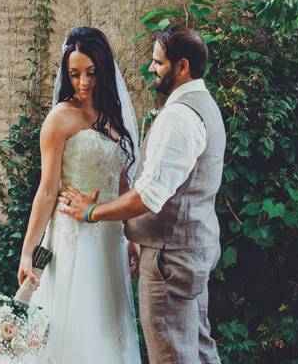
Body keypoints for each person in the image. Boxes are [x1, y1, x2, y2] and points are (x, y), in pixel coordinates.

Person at [58, 25, 225, 364]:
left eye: (158, 63)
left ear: (182, 66)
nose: (151, 68)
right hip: (195, 248)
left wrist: (92, 212)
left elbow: (148, 195)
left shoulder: (179, 115)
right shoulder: (206, 104)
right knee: (200, 349)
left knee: (172, 355)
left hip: (170, 258)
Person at [0, 27, 142, 364]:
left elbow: (123, 182)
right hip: (72, 239)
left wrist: (131, 237)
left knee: (108, 327)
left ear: (104, 69)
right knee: (73, 329)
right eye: (75, 74)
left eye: (91, 72)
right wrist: (27, 254)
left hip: (109, 241)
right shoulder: (59, 118)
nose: (83, 82)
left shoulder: (113, 116)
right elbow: (47, 190)